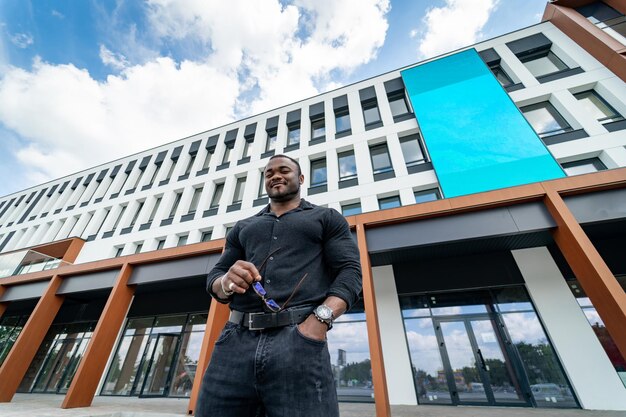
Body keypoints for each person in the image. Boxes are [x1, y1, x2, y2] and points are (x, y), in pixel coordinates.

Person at [195, 154, 362, 417]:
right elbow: (215, 276)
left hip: (299, 340)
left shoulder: (327, 218)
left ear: (301, 178)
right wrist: (226, 282)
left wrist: (320, 320)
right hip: (234, 342)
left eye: (284, 170)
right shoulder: (243, 227)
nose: (275, 175)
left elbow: (350, 272)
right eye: (269, 173)